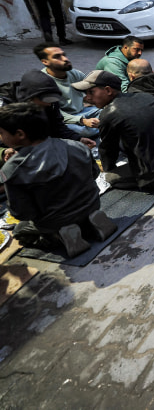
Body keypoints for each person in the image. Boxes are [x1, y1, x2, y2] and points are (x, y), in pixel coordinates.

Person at [0, 103, 116, 258]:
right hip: (91, 204)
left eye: (1, 132)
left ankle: (59, 237)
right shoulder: (76, 146)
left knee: (20, 231)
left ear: (20, 134)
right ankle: (89, 223)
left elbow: (22, 212)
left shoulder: (12, 169)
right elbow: (94, 174)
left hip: (55, 221)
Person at [72, 70, 154, 189]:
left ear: (108, 90)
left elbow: (108, 149)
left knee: (111, 178)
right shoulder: (145, 96)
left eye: (91, 92)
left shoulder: (108, 114)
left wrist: (108, 170)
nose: (87, 98)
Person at [14, 70, 96, 149]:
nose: (49, 104)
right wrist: (4, 153)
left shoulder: (51, 103)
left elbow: (58, 127)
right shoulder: (9, 108)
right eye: (45, 100)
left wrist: (79, 139)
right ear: (31, 97)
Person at [34, 42, 99, 137]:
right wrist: (82, 120)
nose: (65, 59)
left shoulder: (73, 73)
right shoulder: (44, 82)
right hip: (64, 119)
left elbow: (91, 88)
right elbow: (54, 113)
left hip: (83, 111)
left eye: (64, 55)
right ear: (45, 62)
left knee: (110, 111)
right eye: (57, 57)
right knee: (86, 132)